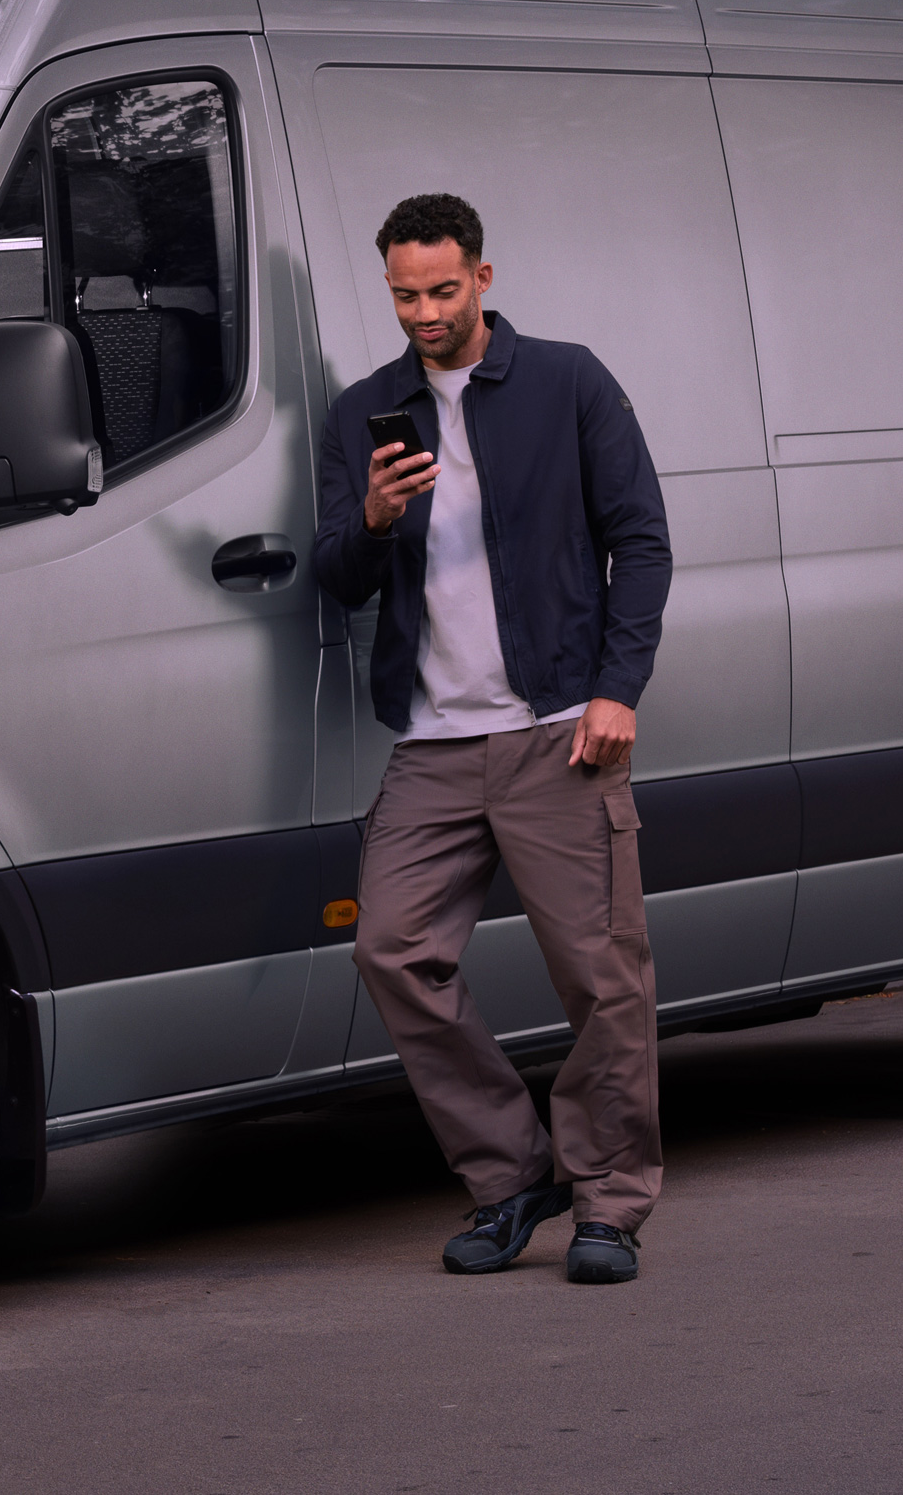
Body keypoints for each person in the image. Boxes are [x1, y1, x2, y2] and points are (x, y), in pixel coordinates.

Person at [313, 191, 673, 1284]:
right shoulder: (365, 411)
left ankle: (608, 1203)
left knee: (601, 977)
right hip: (433, 741)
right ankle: (510, 1177)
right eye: (403, 295)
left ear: (481, 275)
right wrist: (373, 518)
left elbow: (640, 541)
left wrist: (616, 689)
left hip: (556, 730)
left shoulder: (568, 382)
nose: (423, 312)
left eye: (440, 289)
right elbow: (335, 574)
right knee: (391, 948)